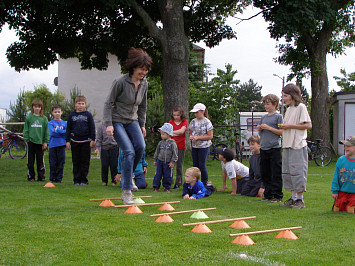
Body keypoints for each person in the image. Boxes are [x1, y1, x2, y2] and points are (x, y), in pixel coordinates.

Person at [103, 48, 152, 205]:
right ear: (133, 67)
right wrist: (108, 124)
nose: (143, 73)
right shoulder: (120, 82)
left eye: (145, 70)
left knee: (140, 146)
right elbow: (108, 103)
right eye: (141, 69)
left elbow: (142, 106)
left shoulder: (144, 84)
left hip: (132, 120)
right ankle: (126, 191)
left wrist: (142, 125)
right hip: (117, 120)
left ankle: (129, 174)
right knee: (128, 151)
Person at [279, 84, 312, 209]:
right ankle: (293, 198)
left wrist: (290, 126)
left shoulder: (301, 107)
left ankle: (300, 199)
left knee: (298, 171)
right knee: (288, 172)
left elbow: (308, 125)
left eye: (286, 96)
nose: (284, 98)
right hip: (287, 144)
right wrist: (284, 127)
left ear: (293, 95)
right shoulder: (289, 109)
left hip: (297, 144)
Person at [256, 94, 283, 203]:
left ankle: (277, 195)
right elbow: (260, 132)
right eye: (265, 104)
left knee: (275, 172)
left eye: (268, 104)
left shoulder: (278, 117)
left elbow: (281, 132)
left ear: (275, 104)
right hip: (264, 148)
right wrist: (260, 129)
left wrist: (269, 128)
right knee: (265, 172)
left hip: (274, 148)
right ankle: (268, 195)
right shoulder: (263, 117)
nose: (266, 106)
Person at [66, 96, 96, 185]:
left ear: (85, 105)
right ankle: (76, 180)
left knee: (85, 161)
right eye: (79, 104)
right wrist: (67, 141)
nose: (80, 105)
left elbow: (92, 127)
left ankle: (84, 180)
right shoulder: (71, 116)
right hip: (75, 141)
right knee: (76, 161)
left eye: (82, 104)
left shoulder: (88, 115)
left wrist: (92, 139)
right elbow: (68, 129)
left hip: (86, 141)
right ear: (75, 105)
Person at [23, 99, 50, 182]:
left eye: (39, 107)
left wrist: (45, 141)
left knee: (40, 161)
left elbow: (46, 131)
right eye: (35, 107)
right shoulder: (29, 118)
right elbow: (26, 130)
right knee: (30, 161)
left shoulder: (44, 119)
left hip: (40, 143)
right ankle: (31, 176)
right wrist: (27, 139)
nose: (37, 108)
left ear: (41, 108)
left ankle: (41, 176)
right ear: (32, 107)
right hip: (31, 142)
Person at [189, 103, 213, 186]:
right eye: (194, 113)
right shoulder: (193, 121)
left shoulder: (207, 122)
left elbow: (210, 136)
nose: (195, 114)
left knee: (202, 165)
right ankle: (195, 181)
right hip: (194, 146)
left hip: (204, 146)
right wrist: (191, 137)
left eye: (197, 112)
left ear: (202, 111)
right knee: (195, 165)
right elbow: (190, 132)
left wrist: (198, 138)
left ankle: (204, 182)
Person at [331, 136, 355, 213]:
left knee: (350, 210)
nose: (346, 148)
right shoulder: (341, 160)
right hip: (343, 192)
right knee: (337, 210)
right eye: (345, 146)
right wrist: (334, 191)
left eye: (349, 146)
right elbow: (336, 177)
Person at [153, 123, 178, 193]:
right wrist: (155, 160)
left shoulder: (173, 144)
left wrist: (173, 161)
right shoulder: (160, 143)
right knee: (157, 174)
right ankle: (155, 187)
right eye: (161, 134)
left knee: (167, 176)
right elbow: (157, 151)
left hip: (168, 162)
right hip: (160, 161)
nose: (161, 135)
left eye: (163, 134)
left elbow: (175, 153)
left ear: (169, 134)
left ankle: (166, 187)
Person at [169, 106, 188, 189]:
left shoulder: (185, 122)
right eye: (174, 115)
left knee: (179, 165)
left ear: (181, 115)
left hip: (180, 146)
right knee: (170, 164)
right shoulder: (170, 122)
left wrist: (172, 132)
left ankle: (178, 182)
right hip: (171, 146)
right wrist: (174, 133)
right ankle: (169, 181)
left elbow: (181, 132)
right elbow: (167, 133)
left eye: (177, 115)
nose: (176, 117)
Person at [94, 122, 119, 187]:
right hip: (104, 148)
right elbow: (99, 138)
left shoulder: (115, 125)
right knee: (104, 165)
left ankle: (114, 181)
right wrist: (97, 148)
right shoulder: (101, 126)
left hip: (114, 147)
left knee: (114, 165)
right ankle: (104, 181)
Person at [48, 104, 67, 183]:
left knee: (61, 162)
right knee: (53, 162)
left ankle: (59, 178)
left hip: (62, 144)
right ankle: (52, 177)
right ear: (52, 113)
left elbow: (66, 133)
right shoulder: (50, 123)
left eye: (59, 112)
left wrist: (58, 130)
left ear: (61, 112)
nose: (57, 114)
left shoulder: (65, 123)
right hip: (53, 145)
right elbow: (52, 133)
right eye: (55, 112)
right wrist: (60, 133)